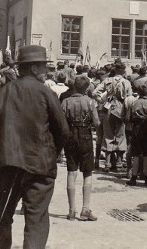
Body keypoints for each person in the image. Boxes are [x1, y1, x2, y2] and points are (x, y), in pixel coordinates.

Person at [0, 45, 69, 249]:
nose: (47, 71)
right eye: (44, 67)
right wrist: (51, 154)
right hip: (40, 166)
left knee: (4, 215)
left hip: (7, 164)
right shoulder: (47, 94)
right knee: (36, 219)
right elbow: (63, 130)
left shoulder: (1, 93)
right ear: (34, 68)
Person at [62, 75, 100, 222]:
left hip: (70, 135)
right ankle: (85, 209)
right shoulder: (90, 102)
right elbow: (96, 122)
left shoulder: (66, 101)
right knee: (87, 172)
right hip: (85, 136)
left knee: (71, 172)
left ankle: (71, 211)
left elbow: (61, 122)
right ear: (86, 88)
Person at [127, 85, 147, 186]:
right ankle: (146, 177)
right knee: (146, 154)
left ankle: (134, 177)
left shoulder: (134, 103)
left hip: (136, 128)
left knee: (136, 154)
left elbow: (129, 117)